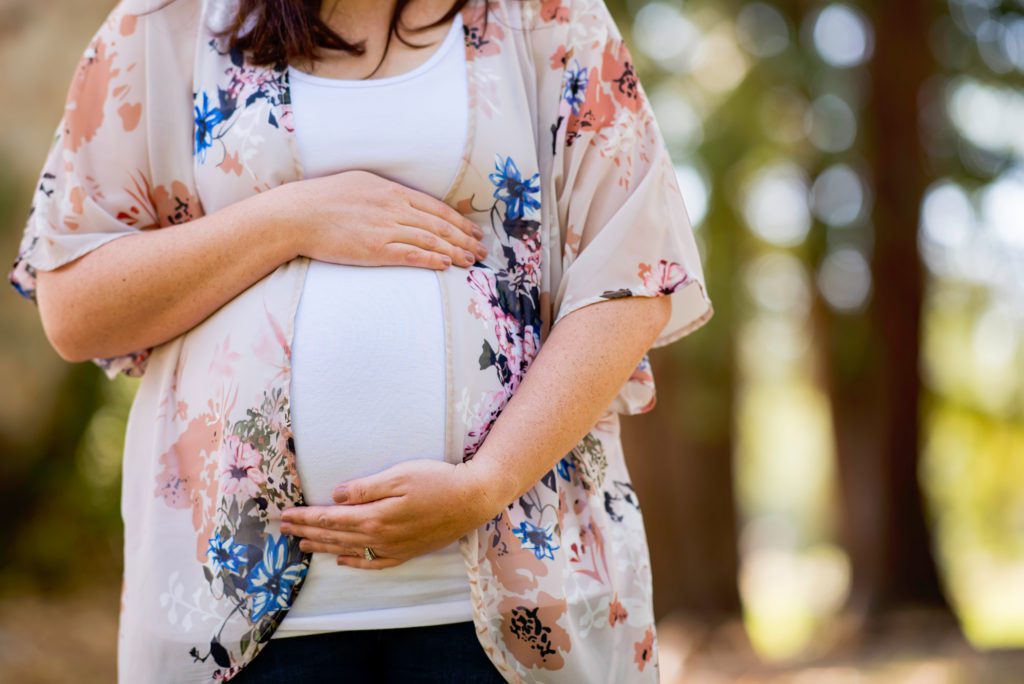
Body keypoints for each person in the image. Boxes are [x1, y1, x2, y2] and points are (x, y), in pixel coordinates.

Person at [7, 0, 714, 681]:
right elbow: (74, 303)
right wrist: (292, 218)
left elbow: (632, 276)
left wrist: (485, 483)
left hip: (523, 608)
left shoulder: (550, 16)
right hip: (231, 625)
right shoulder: (166, 23)